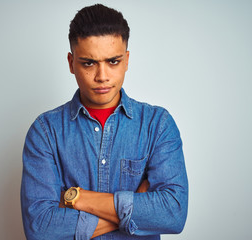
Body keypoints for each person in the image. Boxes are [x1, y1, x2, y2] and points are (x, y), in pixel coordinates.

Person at [21, 4, 188, 240]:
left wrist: (75, 198)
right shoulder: (45, 131)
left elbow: (173, 214)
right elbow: (40, 228)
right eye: (89, 63)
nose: (102, 76)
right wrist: (136, 210)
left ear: (127, 60)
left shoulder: (157, 125)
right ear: (71, 63)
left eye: (113, 61)